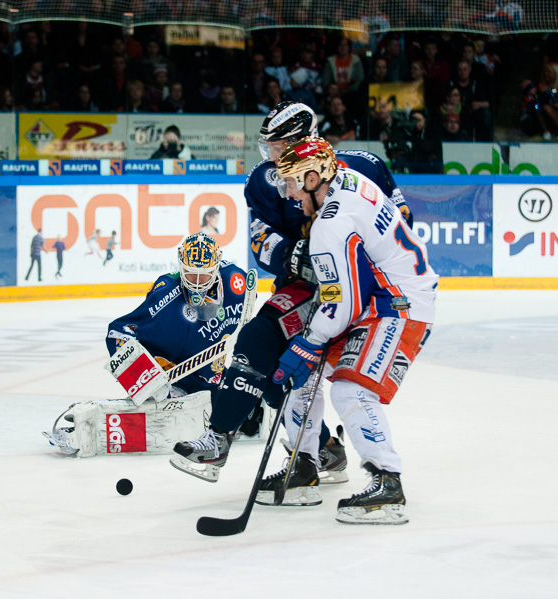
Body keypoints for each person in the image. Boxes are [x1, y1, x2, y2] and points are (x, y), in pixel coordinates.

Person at [173, 101, 411, 486]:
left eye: (277, 146)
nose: (270, 156)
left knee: (263, 344)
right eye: (268, 146)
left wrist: (350, 257)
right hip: (305, 286)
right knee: (274, 366)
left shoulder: (364, 167)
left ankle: (224, 438)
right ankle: (320, 452)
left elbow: (400, 223)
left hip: (361, 286)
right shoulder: (264, 181)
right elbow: (260, 240)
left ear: (305, 142)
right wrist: (300, 257)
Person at [268, 136, 437, 524]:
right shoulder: (348, 181)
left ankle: (387, 484)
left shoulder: (330, 224)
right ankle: (304, 465)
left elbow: (339, 303)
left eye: (292, 182)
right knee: (305, 375)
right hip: (379, 297)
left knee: (351, 388)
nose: (289, 194)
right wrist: (310, 347)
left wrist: (310, 342)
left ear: (313, 177)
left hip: (400, 304)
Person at [107, 234, 247, 402]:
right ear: (181, 264)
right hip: (175, 383)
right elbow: (117, 334)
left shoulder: (236, 280)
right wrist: (144, 383)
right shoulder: (166, 293)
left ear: (217, 266)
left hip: (212, 378)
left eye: (203, 275)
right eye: (190, 273)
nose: (196, 282)